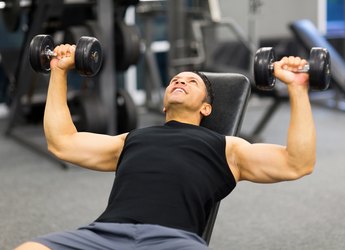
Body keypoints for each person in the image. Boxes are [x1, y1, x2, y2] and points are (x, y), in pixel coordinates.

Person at [15, 43, 316, 250]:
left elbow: (297, 162)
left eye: (192, 82)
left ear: (207, 109)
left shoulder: (229, 148)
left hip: (172, 241)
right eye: (175, 80)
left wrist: (297, 88)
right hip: (105, 234)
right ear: (163, 104)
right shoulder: (130, 139)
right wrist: (57, 70)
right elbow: (62, 142)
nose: (180, 82)